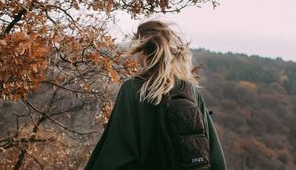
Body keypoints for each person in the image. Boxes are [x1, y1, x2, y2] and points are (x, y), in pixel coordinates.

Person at [84, 20, 226, 170]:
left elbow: (114, 153)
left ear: (143, 51)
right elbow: (214, 154)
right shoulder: (189, 90)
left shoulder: (133, 89)